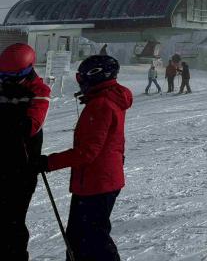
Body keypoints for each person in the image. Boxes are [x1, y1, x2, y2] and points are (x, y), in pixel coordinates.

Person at [38, 54, 132, 261]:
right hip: (101, 180)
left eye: (82, 78)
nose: (80, 82)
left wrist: (48, 162)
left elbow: (88, 152)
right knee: (84, 238)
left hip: (97, 182)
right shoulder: (109, 99)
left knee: (91, 239)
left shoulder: (101, 104)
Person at [0, 43, 51, 261]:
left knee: (12, 221)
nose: (7, 81)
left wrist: (11, 111)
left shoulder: (39, 91)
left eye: (13, 77)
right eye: (3, 76)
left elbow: (30, 126)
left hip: (22, 168)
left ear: (28, 70)